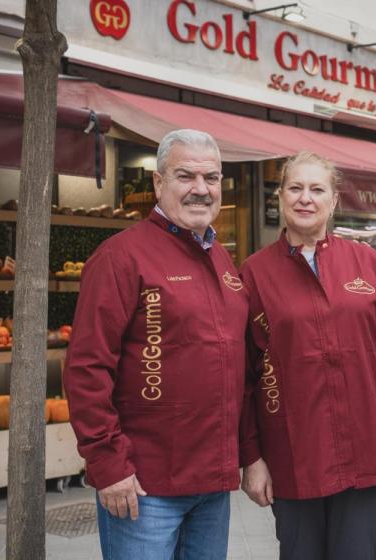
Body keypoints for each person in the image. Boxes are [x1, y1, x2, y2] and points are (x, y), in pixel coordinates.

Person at [64, 129, 248, 560]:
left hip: (212, 485)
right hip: (144, 486)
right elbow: (86, 368)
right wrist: (108, 467)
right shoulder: (120, 257)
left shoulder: (222, 261)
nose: (201, 190)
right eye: (186, 176)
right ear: (158, 183)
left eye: (212, 178)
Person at [238, 151, 376, 560]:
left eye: (317, 189)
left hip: (366, 450)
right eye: (296, 188)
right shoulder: (254, 274)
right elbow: (243, 376)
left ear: (333, 200)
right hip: (293, 455)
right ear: (280, 197)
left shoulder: (367, 263)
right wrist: (252, 457)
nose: (306, 198)